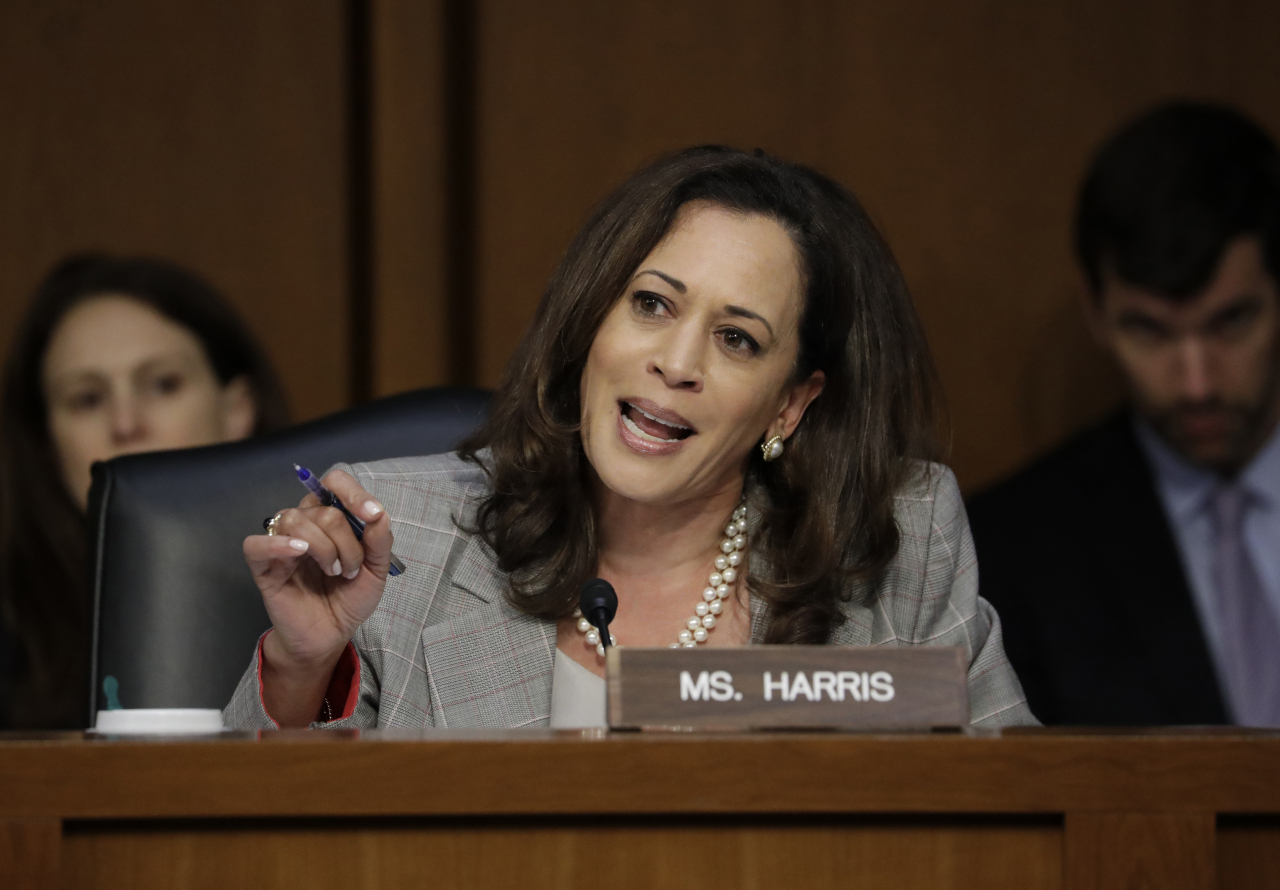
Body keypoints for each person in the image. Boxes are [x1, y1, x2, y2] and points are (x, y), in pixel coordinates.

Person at [226, 146, 1033, 730]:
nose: (676, 363)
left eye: (737, 339)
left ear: (789, 404)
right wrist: (302, 671)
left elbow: (1020, 815)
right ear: (592, 321)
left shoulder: (897, 545)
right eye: (652, 304)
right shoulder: (399, 538)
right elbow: (237, 845)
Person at [967, 102, 1280, 726]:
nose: (1196, 384)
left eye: (1231, 322)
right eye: (1150, 331)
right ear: (1095, 310)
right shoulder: (1008, 555)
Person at [0, 254, 289, 729]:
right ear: (47, 444)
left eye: (162, 384)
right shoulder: (13, 628)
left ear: (238, 409)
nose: (126, 424)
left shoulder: (329, 592)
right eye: (87, 399)